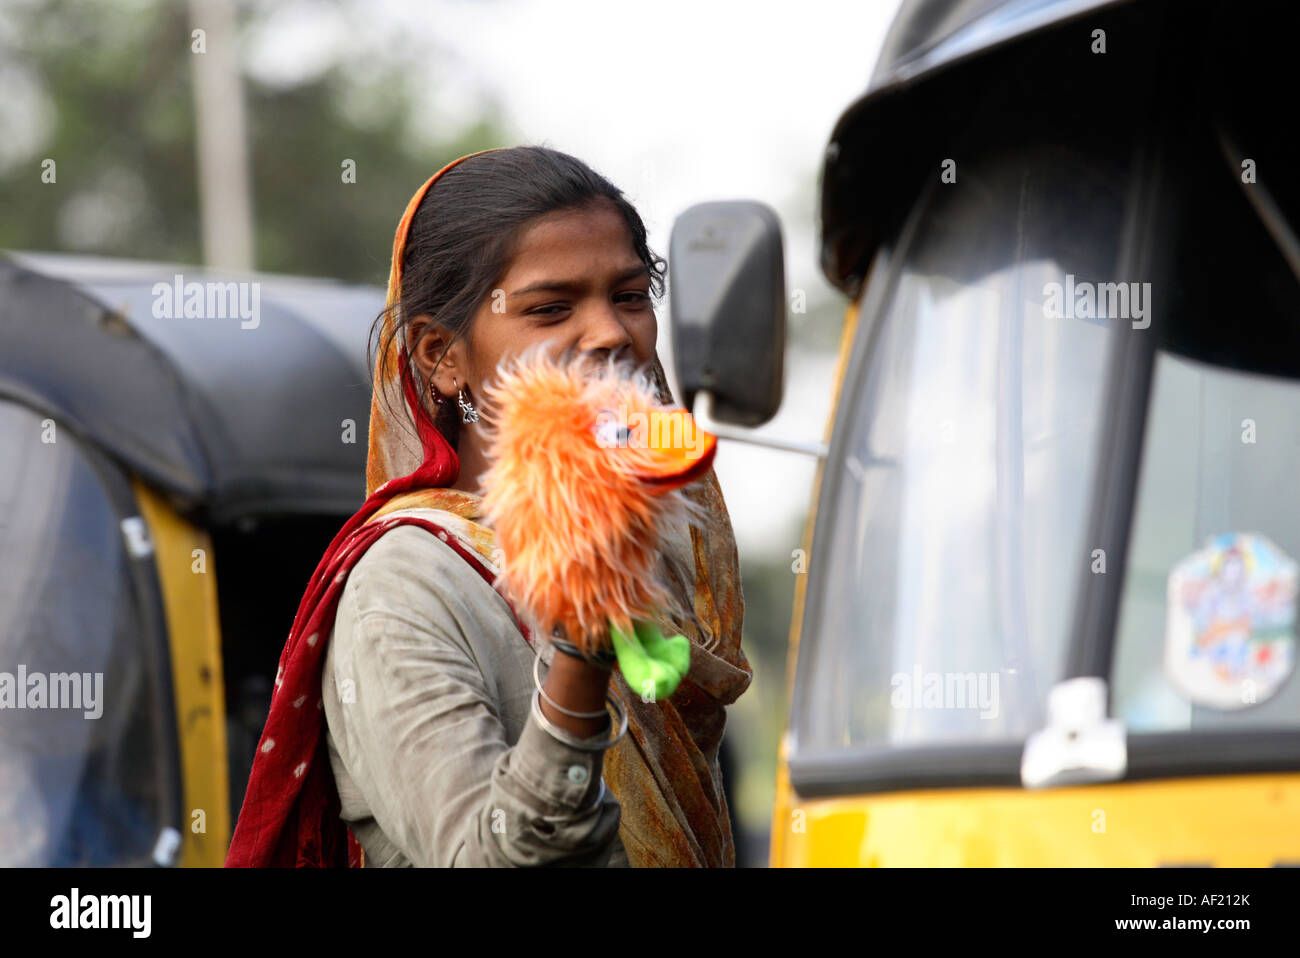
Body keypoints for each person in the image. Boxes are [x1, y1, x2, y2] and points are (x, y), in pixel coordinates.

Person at [225, 145, 752, 867]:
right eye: (551, 309)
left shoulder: (647, 547)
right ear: (442, 356)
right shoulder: (405, 583)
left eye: (629, 296)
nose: (610, 334)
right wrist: (581, 644)